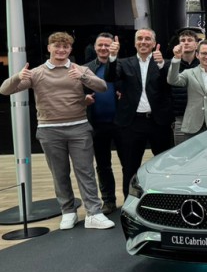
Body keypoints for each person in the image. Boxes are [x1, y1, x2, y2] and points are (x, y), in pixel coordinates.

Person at [1, 32, 115, 230]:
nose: (61, 50)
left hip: (79, 128)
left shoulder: (79, 69)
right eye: (57, 46)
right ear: (49, 48)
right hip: (49, 130)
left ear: (70, 50)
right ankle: (68, 211)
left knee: (85, 172)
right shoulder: (37, 72)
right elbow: (5, 90)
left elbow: (103, 87)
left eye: (65, 47)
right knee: (60, 174)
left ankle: (93, 213)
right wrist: (18, 76)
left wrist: (83, 78)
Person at [104, 30, 175, 199]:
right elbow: (111, 77)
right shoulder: (124, 63)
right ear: (135, 43)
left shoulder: (163, 63)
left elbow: (172, 83)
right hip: (132, 123)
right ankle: (130, 202)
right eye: (140, 39)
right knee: (130, 166)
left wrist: (161, 66)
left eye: (147, 39)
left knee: (165, 165)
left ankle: (165, 199)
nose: (143, 42)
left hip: (159, 123)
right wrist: (112, 56)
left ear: (154, 42)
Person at [83, 32, 120, 214]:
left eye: (108, 45)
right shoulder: (86, 69)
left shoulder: (123, 66)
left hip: (122, 123)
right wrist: (84, 98)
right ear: (95, 47)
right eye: (101, 45)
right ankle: (109, 201)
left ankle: (130, 199)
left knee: (128, 163)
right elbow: (76, 93)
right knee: (103, 165)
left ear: (114, 47)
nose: (104, 48)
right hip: (97, 124)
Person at [169, 29, 201, 146]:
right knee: (181, 155)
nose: (186, 43)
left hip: (202, 117)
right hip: (180, 117)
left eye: (190, 40)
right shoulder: (171, 64)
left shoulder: (203, 64)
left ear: (196, 44)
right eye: (182, 40)